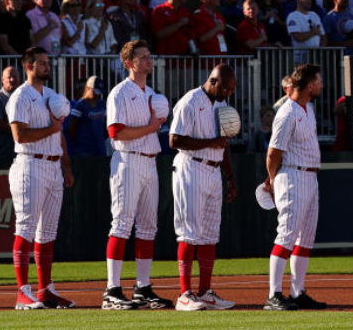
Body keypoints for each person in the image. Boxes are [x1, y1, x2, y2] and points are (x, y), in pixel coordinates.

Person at [102, 40, 172, 311]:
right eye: (143, 57)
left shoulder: (152, 93)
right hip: (127, 161)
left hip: (149, 161)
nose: (148, 60)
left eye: (149, 56)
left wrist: (154, 127)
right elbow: (116, 132)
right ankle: (112, 290)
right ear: (129, 63)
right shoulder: (119, 93)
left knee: (147, 227)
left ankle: (142, 288)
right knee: (121, 224)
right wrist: (151, 127)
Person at [6, 47, 76, 310]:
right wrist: (52, 128)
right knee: (25, 228)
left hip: (52, 165)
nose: (47, 67)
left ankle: (45, 289)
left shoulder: (52, 96)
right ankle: (23, 292)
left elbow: (59, 136)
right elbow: (20, 136)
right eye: (42, 63)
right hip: (29, 163)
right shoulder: (20, 96)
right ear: (29, 66)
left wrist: (66, 166)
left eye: (48, 63)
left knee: (47, 232)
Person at [170, 64, 240, 311]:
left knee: (210, 234)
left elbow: (225, 144)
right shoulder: (190, 101)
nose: (229, 93)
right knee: (189, 232)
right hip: (191, 167)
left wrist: (230, 177)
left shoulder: (221, 105)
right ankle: (184, 294)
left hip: (213, 170)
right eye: (227, 88)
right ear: (213, 81)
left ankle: (205, 291)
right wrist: (213, 142)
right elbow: (174, 139)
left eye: (232, 89)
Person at [264, 63, 326, 311]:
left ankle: (297, 292)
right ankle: (274, 294)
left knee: (305, 238)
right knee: (287, 235)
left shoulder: (307, 108)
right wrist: (271, 180)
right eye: (319, 81)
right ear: (309, 85)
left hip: (310, 177)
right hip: (292, 175)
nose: (322, 85)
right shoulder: (287, 112)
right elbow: (273, 153)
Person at [66, 76, 108, 158]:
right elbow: (72, 129)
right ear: (88, 88)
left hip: (100, 150)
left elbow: (105, 126)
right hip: (84, 151)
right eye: (95, 92)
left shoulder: (102, 104)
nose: (96, 95)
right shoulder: (79, 106)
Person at [0, 66, 20, 160]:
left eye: (15, 76)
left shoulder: (25, 96)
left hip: (24, 154)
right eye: (9, 77)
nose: (12, 79)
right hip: (5, 154)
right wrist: (22, 132)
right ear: (2, 79)